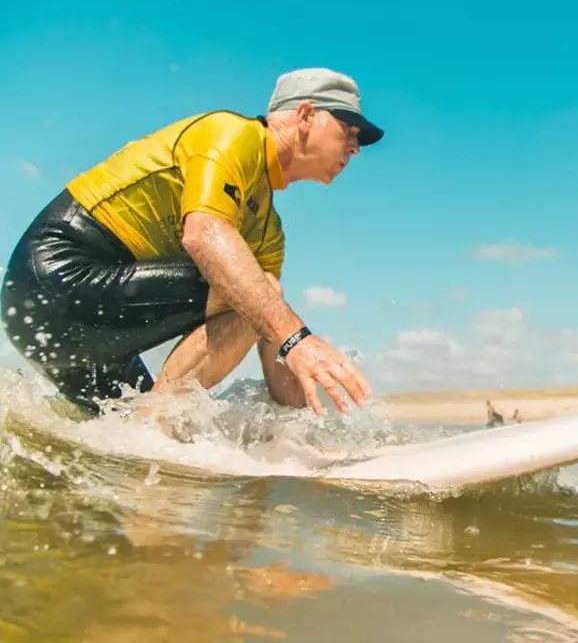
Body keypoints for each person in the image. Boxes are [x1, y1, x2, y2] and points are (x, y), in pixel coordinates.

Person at [1, 68, 380, 421]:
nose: (356, 146)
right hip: (53, 278)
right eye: (348, 128)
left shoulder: (268, 228)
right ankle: (157, 427)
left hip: (86, 323)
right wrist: (299, 340)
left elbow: (267, 320)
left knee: (119, 432)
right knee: (253, 294)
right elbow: (203, 234)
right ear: (305, 115)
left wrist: (297, 435)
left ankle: (151, 437)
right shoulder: (232, 134)